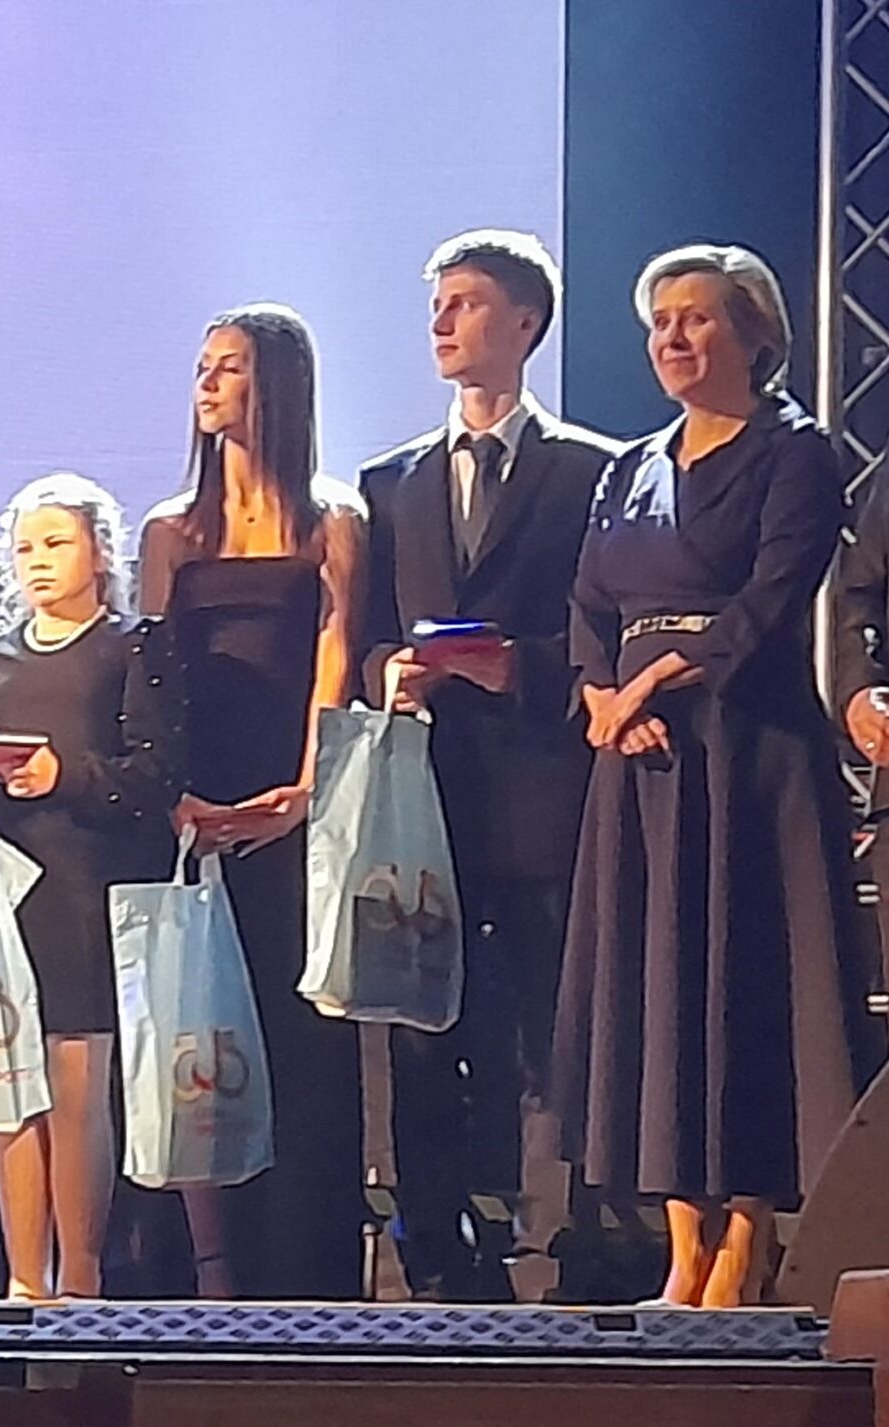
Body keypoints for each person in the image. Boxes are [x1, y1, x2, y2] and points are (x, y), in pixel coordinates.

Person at [553, 244, 877, 1308]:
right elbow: (587, 605)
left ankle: (747, 1240)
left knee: (748, 980)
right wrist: (602, 697)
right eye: (660, 322)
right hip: (642, 764)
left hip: (749, 758)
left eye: (696, 317)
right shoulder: (627, 467)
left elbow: (769, 601)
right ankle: (681, 1247)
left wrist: (653, 681)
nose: (673, 338)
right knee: (657, 990)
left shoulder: (796, 453)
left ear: (753, 333)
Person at [356, 233, 621, 1302]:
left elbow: (608, 630)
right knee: (423, 1034)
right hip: (427, 805)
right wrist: (388, 671)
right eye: (436, 303)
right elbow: (367, 635)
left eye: (464, 302)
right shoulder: (390, 482)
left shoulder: (595, 470)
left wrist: (523, 665)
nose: (441, 321)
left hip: (545, 797)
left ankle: (579, 1242)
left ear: (524, 322)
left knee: (555, 1032)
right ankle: (436, 1252)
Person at [138, 304, 367, 1301]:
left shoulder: (332, 520)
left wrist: (307, 790)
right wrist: (174, 795)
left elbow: (335, 659)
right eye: (202, 365)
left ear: (275, 382)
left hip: (294, 803)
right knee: (196, 1034)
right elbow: (152, 673)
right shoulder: (171, 529)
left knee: (298, 1037)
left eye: (227, 367)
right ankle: (201, 1277)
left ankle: (307, 1276)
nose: (207, 382)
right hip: (193, 805)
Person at [0, 472, 182, 1301]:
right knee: (7, 1085)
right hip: (5, 885)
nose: (38, 561)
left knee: (77, 1085)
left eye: (56, 543)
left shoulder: (133, 646)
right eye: (24, 548)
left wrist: (67, 774)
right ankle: (25, 1279)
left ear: (100, 552)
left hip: (90, 883)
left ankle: (81, 1280)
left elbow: (157, 772)